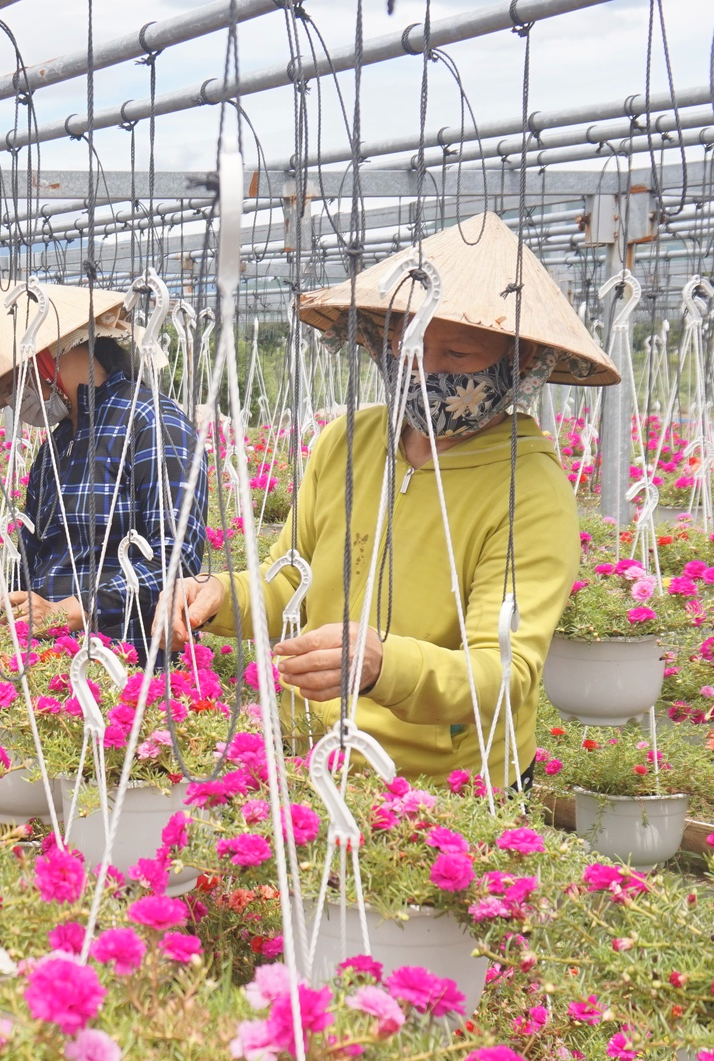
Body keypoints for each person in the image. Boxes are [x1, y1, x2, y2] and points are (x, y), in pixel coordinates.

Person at [169, 211, 618, 792]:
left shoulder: (530, 489)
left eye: (457, 356)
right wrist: (218, 596)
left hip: (445, 787)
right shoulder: (346, 442)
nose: (427, 372)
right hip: (314, 756)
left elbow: (504, 673)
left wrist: (385, 666)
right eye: (412, 347)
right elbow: (288, 586)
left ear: (520, 365)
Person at [0, 279, 205, 650]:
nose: (13, 396)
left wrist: (78, 607)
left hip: (126, 667)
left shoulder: (152, 422)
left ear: (43, 360)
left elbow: (177, 560)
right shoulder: (57, 445)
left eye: (13, 381)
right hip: (49, 667)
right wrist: (14, 606)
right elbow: (33, 554)